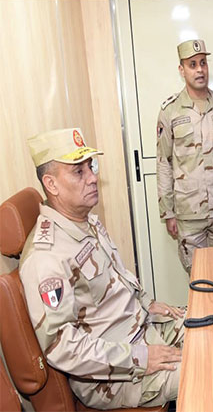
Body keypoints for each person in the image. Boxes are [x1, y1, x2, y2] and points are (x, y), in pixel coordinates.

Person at [20, 128, 185, 409]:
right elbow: (63, 347)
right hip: (113, 376)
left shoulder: (86, 221)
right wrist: (141, 358)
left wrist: (146, 302)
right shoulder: (46, 257)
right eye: (78, 172)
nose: (93, 177)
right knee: (210, 369)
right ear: (51, 184)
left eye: (91, 167)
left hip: (140, 329)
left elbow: (117, 277)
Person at [156, 39, 213, 273]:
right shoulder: (170, 111)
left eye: (203, 63)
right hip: (188, 211)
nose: (199, 70)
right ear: (182, 70)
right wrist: (168, 212)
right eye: (192, 64)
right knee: (198, 275)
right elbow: (164, 163)